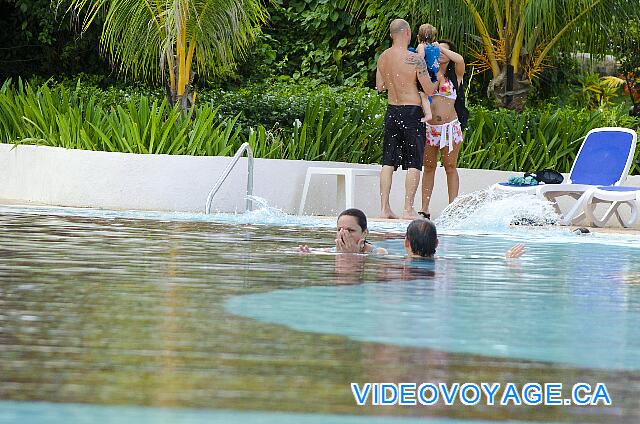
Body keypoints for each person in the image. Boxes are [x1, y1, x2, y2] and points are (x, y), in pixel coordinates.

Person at [376, 19, 437, 220]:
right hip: (412, 112)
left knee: (388, 161)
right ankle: (408, 208)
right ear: (407, 33)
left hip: (392, 110)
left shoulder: (383, 57)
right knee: (414, 162)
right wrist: (437, 77)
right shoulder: (415, 59)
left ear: (392, 34)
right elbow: (428, 89)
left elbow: (380, 86)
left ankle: (384, 208)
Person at [419, 40, 466, 220]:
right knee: (429, 167)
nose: (441, 53)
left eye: (446, 51)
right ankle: (424, 209)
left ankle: (452, 209)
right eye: (438, 51)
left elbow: (460, 59)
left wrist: (439, 48)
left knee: (450, 167)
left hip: (450, 127)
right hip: (431, 128)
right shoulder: (427, 73)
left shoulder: (455, 75)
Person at [404, 219, 525, 259]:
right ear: (436, 243)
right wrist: (507, 259)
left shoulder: (394, 259)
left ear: (406, 243)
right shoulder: (442, 261)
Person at [298, 208, 388, 255]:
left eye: (350, 230)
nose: (344, 234)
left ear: (364, 233)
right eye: (339, 230)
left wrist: (354, 255)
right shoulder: (332, 251)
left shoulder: (379, 252)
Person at [415, 24, 440, 123]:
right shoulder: (435, 45)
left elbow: (420, 57)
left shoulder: (421, 46)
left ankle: (428, 114)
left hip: (425, 73)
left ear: (418, 37)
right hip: (433, 73)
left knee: (423, 95)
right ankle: (427, 112)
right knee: (426, 94)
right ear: (433, 37)